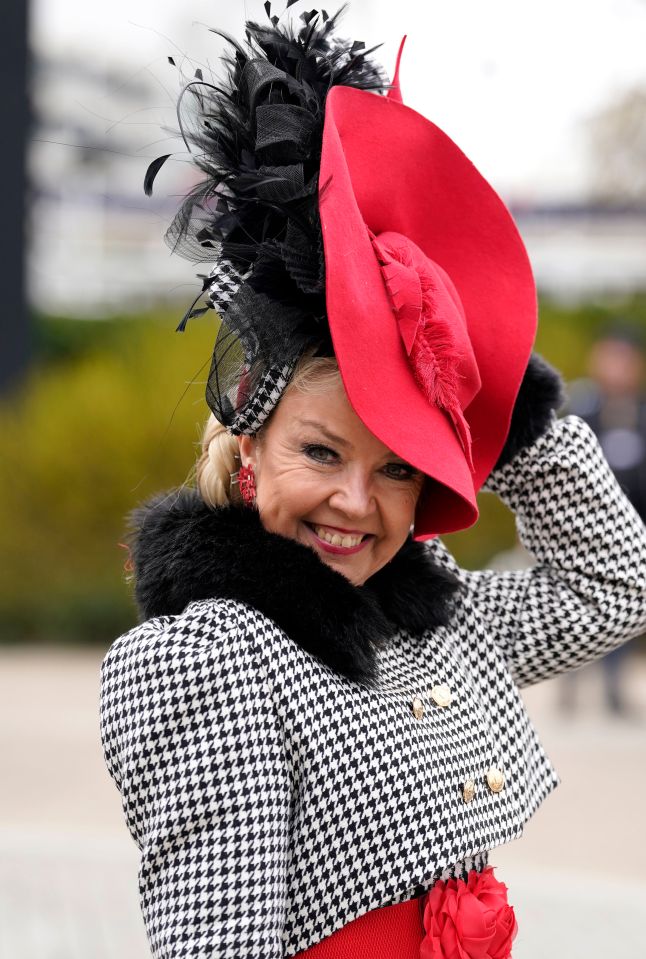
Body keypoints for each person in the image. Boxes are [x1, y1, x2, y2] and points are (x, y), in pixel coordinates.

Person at [99, 8, 646, 959]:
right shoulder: (209, 659)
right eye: (321, 453)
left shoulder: (437, 620)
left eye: (399, 466)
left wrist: (503, 406)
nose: (358, 500)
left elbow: (614, 586)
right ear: (249, 438)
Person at [562, 326, 646, 715]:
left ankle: (613, 686)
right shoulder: (581, 412)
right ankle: (570, 682)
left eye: (623, 359)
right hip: (583, 531)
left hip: (633, 532)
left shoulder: (640, 414)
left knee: (623, 606)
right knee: (573, 607)